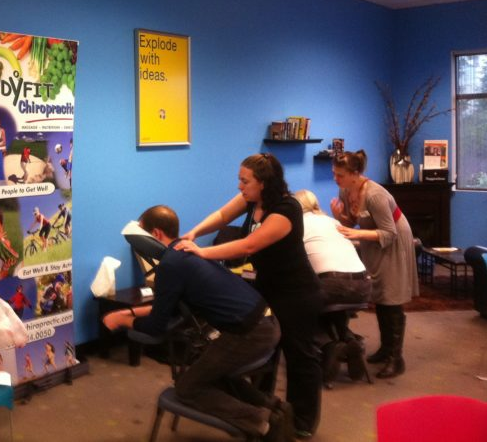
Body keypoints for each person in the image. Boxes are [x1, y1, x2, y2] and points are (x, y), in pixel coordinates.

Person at [175, 153, 322, 439]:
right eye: (239, 180)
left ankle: (302, 422)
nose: (240, 186)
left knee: (300, 356)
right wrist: (194, 233)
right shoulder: (252, 199)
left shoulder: (286, 209)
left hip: (297, 294)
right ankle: (270, 414)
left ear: (264, 183)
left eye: (245, 181)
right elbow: (222, 216)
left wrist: (202, 252)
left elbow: (249, 246)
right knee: (265, 355)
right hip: (267, 289)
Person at [104, 205, 281, 438]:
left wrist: (121, 320)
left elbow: (156, 327)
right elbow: (169, 307)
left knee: (187, 388)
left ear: (156, 234)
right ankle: (276, 408)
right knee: (210, 373)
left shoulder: (170, 265)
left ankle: (264, 422)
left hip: (249, 333)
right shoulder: (187, 253)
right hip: (266, 322)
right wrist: (131, 312)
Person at [329, 150, 418, 379]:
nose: (336, 179)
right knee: (379, 294)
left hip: (394, 241)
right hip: (373, 240)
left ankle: (396, 359)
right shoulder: (346, 190)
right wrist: (339, 216)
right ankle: (386, 349)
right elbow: (353, 222)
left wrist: (358, 234)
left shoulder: (375, 195)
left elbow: (389, 233)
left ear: (355, 174)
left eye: (340, 175)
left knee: (391, 295)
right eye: (334, 174)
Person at [293, 189, 371, 383]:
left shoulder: (298, 225)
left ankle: (329, 345)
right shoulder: (333, 222)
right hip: (364, 285)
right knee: (331, 305)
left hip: (332, 284)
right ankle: (349, 340)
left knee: (297, 307)